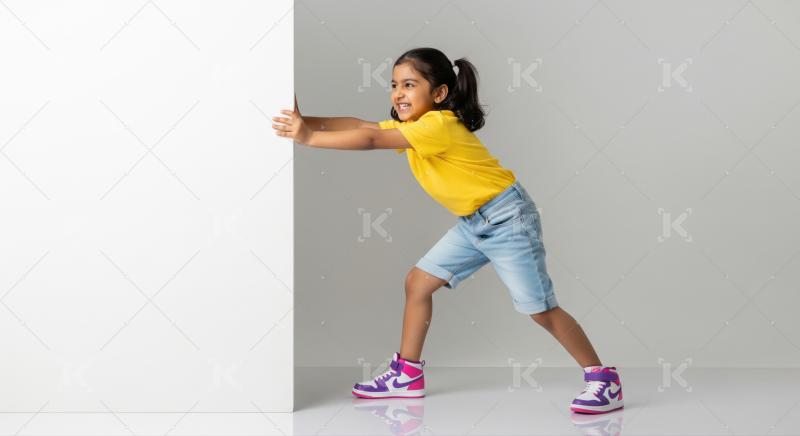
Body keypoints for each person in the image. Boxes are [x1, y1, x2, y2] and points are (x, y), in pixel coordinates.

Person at [272, 47, 623, 414]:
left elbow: (372, 140)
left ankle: (603, 380)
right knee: (418, 282)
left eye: (409, 84)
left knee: (540, 310)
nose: (398, 93)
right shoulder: (413, 128)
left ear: (438, 94)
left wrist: (308, 137)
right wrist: (303, 122)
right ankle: (407, 374)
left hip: (507, 219)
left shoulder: (438, 125)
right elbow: (363, 126)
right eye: (394, 85)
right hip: (475, 222)